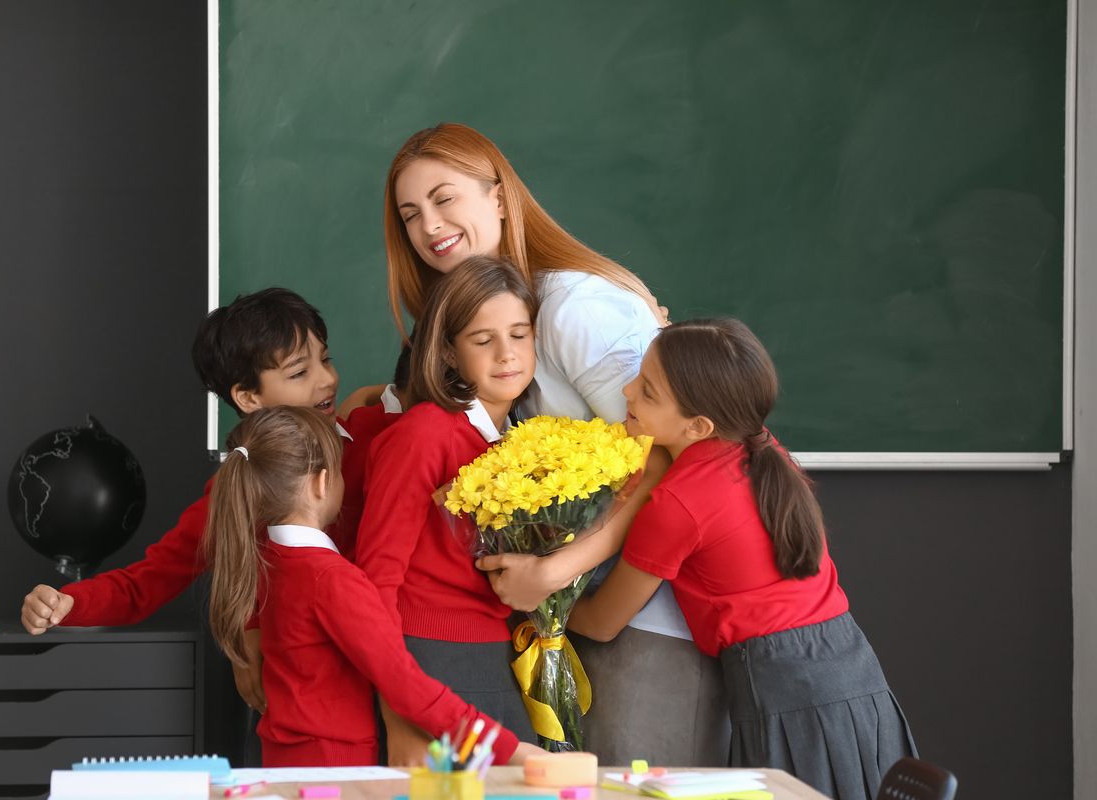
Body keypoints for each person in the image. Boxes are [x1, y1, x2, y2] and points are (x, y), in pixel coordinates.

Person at [382, 122, 728, 765]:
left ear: (501, 198)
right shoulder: (508, 316)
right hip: (571, 624)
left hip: (647, 618)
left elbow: (670, 455)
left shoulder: (571, 308)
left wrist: (556, 570)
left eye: (444, 197)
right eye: (411, 214)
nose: (429, 226)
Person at [567, 318, 917, 800]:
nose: (626, 390)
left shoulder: (677, 503)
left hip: (787, 689)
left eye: (647, 391)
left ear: (699, 425)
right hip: (850, 667)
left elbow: (602, 624)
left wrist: (542, 603)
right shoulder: (762, 447)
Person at [18, 288, 354, 715]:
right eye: (299, 372)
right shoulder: (238, 487)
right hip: (292, 697)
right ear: (249, 398)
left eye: (326, 359)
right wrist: (70, 603)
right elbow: (147, 582)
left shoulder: (365, 441)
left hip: (378, 678)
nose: (326, 380)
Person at [203, 404, 536, 767]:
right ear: (321, 483)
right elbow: (407, 687)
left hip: (283, 756)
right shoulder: (333, 580)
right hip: (336, 768)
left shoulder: (273, 563)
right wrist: (511, 749)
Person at [354, 256, 541, 760]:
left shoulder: (526, 441)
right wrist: (399, 714)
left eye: (521, 334)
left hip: (494, 653)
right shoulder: (423, 433)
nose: (508, 354)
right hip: (428, 657)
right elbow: (377, 582)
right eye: (483, 341)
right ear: (450, 354)